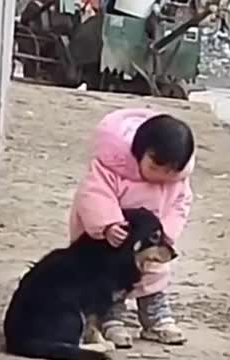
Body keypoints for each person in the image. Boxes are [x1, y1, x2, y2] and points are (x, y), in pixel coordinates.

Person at [69, 108, 195, 347]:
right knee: (109, 279)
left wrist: (166, 234)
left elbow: (180, 205)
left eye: (170, 171)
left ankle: (155, 317)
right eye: (155, 167)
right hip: (110, 241)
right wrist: (107, 224)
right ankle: (111, 316)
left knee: (154, 273)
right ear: (138, 153)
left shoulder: (177, 182)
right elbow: (94, 194)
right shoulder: (111, 168)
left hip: (148, 244)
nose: (161, 176)